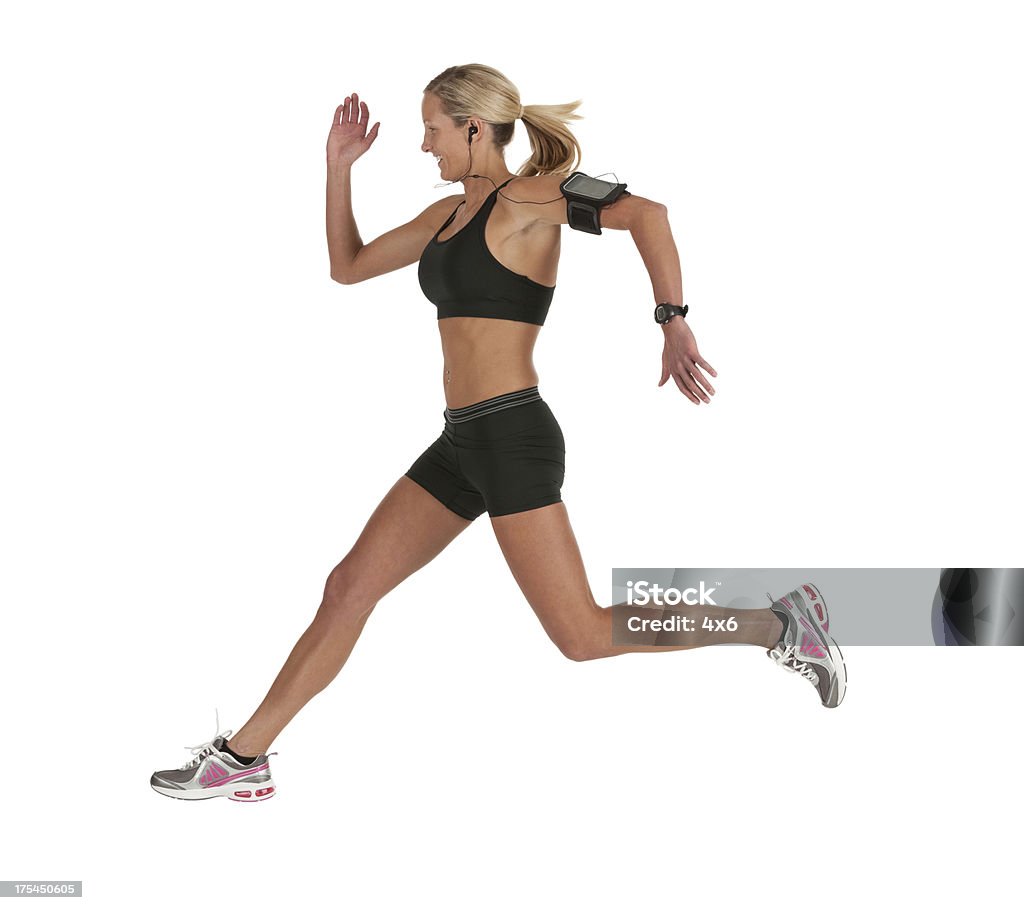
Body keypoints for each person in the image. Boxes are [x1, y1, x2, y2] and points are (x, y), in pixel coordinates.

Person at [150, 64, 847, 803]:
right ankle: (245, 756)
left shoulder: (533, 198)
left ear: (474, 127)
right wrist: (337, 171)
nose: (425, 145)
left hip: (513, 436)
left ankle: (775, 626)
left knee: (581, 635)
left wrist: (672, 322)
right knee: (348, 587)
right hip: (461, 442)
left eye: (433, 129)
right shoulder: (443, 219)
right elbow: (347, 268)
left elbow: (649, 215)